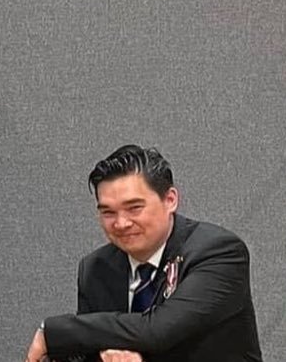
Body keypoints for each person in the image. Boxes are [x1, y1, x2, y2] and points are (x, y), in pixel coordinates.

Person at [25, 145, 263, 362]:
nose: (121, 223)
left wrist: (53, 331)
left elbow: (158, 330)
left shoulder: (218, 252)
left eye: (134, 208)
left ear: (170, 200)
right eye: (107, 212)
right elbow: (90, 348)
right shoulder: (95, 268)